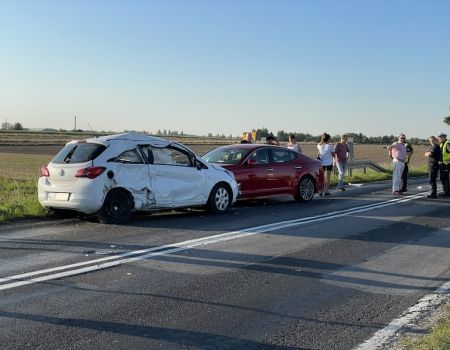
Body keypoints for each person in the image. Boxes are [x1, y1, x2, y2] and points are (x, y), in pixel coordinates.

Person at [437, 132, 450, 196]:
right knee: (442, 178)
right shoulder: (441, 144)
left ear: (443, 137)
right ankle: (445, 191)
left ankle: (447, 192)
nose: (438, 138)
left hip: (447, 164)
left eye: (439, 137)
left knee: (446, 178)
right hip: (442, 164)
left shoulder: (447, 144)